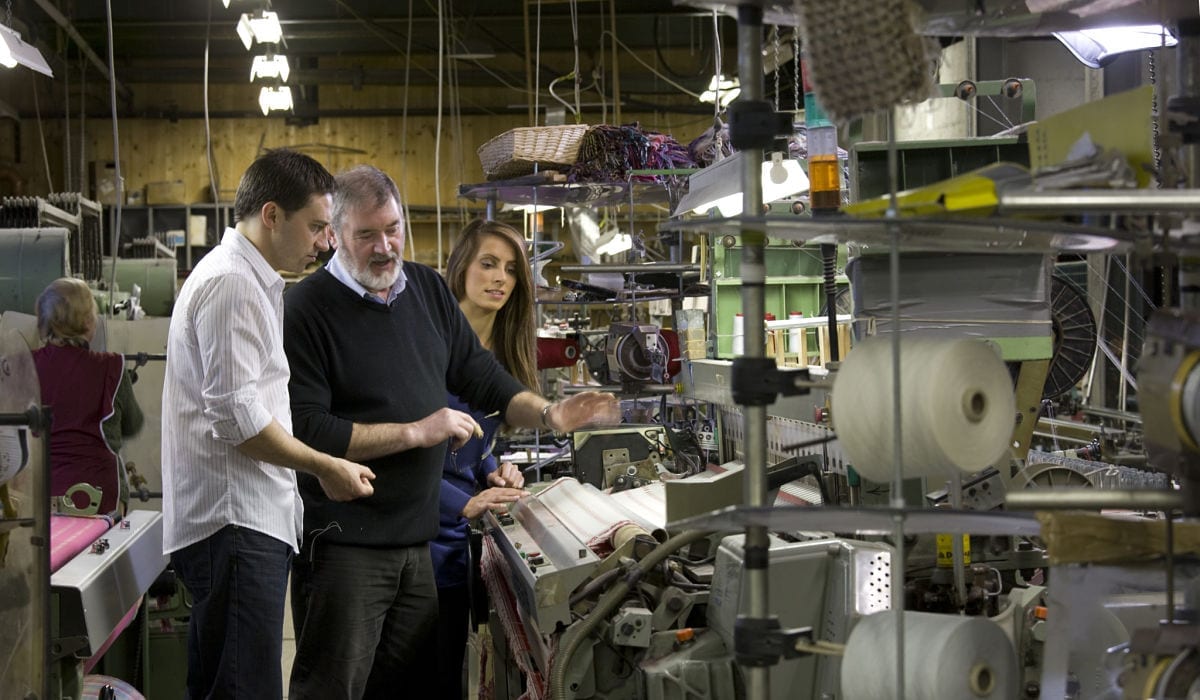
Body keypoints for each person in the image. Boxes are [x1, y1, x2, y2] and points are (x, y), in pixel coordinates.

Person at [282, 164, 618, 700]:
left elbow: (480, 377)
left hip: (417, 546)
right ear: (333, 235)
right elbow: (308, 429)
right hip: (347, 548)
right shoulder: (305, 309)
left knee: (420, 687)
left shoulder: (427, 292)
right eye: (366, 235)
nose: (384, 246)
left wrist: (548, 415)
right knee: (334, 688)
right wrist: (418, 431)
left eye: (392, 229)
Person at [161, 148, 376, 700]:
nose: (325, 243)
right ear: (272, 215)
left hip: (240, 524)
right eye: (317, 227)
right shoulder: (232, 284)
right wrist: (325, 464)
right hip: (235, 522)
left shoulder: (250, 282)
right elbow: (239, 420)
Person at [433, 219, 537, 699]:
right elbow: (405, 454)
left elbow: (474, 449)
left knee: (452, 666)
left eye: (511, 269)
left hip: (461, 541)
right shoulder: (428, 343)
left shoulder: (505, 355)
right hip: (416, 529)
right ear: (462, 268)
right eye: (488, 263)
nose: (499, 278)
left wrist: (493, 470)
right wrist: (464, 502)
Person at [32, 277, 144, 516]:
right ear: (86, 321)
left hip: (37, 495)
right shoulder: (112, 367)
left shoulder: (24, 367)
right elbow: (133, 424)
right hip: (100, 496)